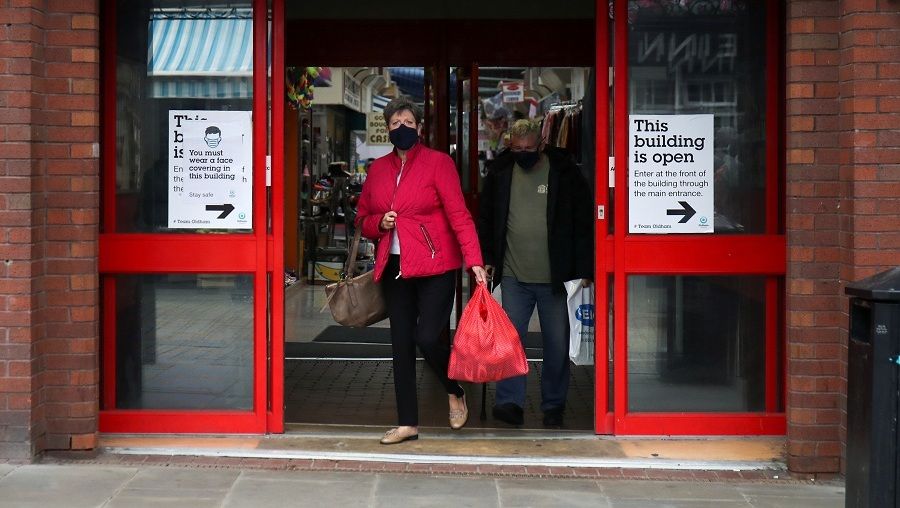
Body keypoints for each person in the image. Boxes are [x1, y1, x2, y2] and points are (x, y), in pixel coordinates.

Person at [356, 97, 488, 444]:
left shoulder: (438, 164)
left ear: (419, 128)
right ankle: (407, 423)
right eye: (396, 123)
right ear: (388, 129)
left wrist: (474, 260)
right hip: (395, 267)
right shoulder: (377, 170)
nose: (402, 128)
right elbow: (362, 219)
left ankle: (453, 388)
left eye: (408, 122)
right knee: (400, 344)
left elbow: (459, 215)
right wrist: (379, 223)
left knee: (427, 337)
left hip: (436, 265)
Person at [478, 119, 593, 428]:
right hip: (514, 276)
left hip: (555, 278)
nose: (523, 154)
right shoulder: (501, 172)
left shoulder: (565, 173)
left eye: (529, 148)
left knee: (557, 345)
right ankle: (509, 402)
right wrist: (487, 258)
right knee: (510, 342)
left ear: (541, 144)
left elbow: (583, 223)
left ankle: (553, 405)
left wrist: (584, 269)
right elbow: (487, 218)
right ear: (510, 146)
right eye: (517, 149)